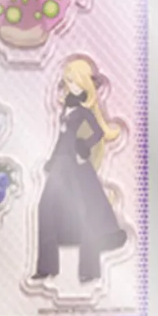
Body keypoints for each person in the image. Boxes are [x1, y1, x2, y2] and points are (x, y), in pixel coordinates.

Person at [33, 58, 126, 284]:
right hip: (60, 164)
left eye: (74, 81)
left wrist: (84, 147)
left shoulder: (84, 112)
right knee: (45, 207)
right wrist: (52, 159)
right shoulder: (67, 108)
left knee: (86, 213)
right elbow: (62, 137)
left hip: (76, 166)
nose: (70, 86)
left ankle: (89, 269)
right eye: (68, 81)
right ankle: (46, 266)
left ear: (84, 83)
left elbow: (98, 132)